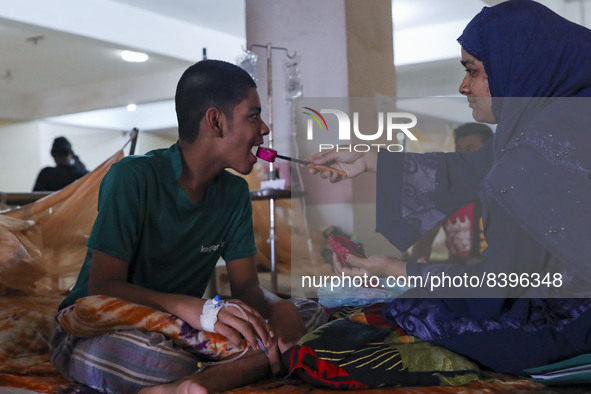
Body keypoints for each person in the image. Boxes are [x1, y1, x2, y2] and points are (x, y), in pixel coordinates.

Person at [308, 0, 591, 377]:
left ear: (515, 67)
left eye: (472, 71)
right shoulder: (563, 124)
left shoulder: (535, 152)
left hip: (571, 319)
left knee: (342, 340)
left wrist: (398, 271)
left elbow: (490, 288)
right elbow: (470, 169)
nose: (463, 86)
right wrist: (373, 160)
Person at [49, 60, 309, 393]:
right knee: (159, 361)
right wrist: (197, 307)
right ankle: (251, 364)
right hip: (99, 327)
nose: (265, 130)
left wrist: (280, 307)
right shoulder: (132, 177)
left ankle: (206, 378)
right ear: (215, 121)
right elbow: (103, 285)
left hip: (179, 327)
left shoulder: (233, 193)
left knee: (309, 312)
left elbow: (247, 290)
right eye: (253, 116)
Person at [410, 123, 493, 263]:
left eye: (470, 150)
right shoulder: (449, 192)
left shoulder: (502, 190)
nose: (463, 157)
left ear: (488, 151)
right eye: (459, 151)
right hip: (459, 277)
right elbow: (420, 251)